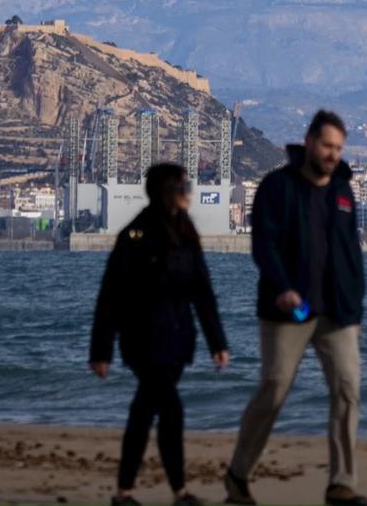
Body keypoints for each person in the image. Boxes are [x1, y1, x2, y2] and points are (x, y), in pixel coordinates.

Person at [223, 110, 367, 506]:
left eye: (338, 148)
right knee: (273, 390)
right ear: (308, 141)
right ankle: (238, 475)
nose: (332, 155)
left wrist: (355, 312)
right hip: (288, 309)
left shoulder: (343, 192)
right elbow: (264, 246)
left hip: (336, 313)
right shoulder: (277, 187)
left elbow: (351, 253)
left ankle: (342, 483)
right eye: (326, 146)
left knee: (347, 390)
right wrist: (283, 288)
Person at [90, 162, 232, 506]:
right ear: (165, 191)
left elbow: (203, 292)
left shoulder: (186, 232)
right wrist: (101, 350)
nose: (188, 193)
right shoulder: (135, 235)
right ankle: (179, 492)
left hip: (177, 341)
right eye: (182, 187)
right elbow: (111, 294)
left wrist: (218, 343)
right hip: (142, 340)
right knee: (171, 411)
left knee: (143, 411)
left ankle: (124, 492)